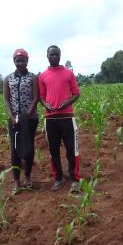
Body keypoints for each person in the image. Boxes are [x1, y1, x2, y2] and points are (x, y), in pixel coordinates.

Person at [39, 45, 81, 192]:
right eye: (51, 55)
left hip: (67, 117)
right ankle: (58, 178)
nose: (54, 57)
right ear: (47, 56)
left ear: (60, 55)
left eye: (56, 54)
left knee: (71, 149)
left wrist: (66, 103)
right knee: (53, 150)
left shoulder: (69, 74)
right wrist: (46, 105)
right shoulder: (43, 76)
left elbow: (76, 94)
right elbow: (41, 97)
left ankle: (75, 178)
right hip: (50, 119)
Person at [3, 48, 39, 194]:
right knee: (15, 150)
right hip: (14, 120)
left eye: (23, 60)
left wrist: (26, 115)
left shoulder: (33, 77)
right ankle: (16, 181)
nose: (20, 63)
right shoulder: (8, 79)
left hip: (30, 119)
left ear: (27, 61)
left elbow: (36, 97)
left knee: (29, 148)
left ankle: (28, 177)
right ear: (14, 61)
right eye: (18, 61)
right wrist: (12, 117)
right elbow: (6, 99)